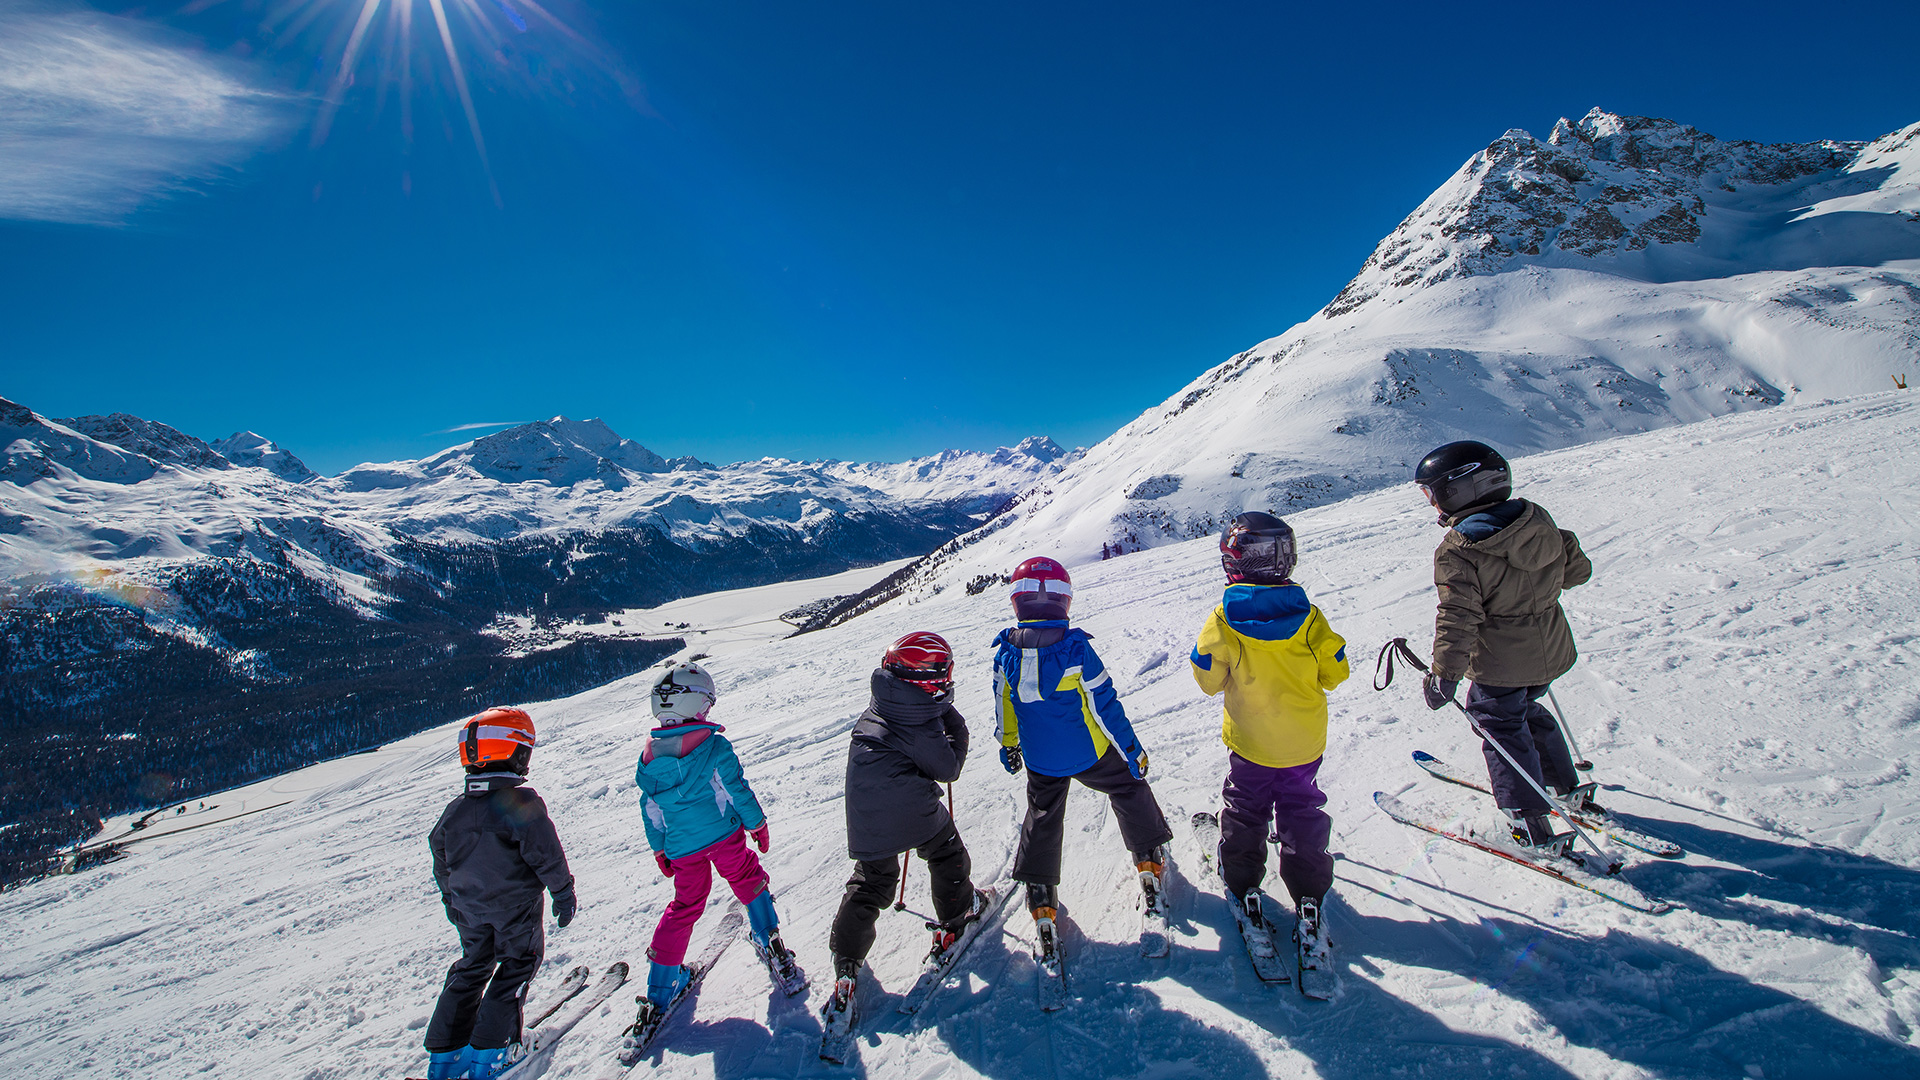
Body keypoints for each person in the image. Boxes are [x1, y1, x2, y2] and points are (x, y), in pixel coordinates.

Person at [1413, 440, 1594, 853]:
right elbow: (1576, 573)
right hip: (1550, 648)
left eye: (1432, 493)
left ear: (1460, 490)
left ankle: (1526, 822)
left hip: (1502, 661)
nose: (1431, 504)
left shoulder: (1461, 550)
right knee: (1524, 710)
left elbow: (1458, 618)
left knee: (1498, 724)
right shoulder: (1537, 519)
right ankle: (1561, 783)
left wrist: (1445, 674)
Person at [1190, 512, 1349, 944]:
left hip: (1251, 743)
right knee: (1301, 809)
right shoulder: (1311, 618)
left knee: (1246, 807)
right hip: (1303, 743)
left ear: (1235, 564)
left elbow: (1207, 680)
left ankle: (1242, 881)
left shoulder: (1223, 619)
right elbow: (1336, 673)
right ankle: (1310, 894)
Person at [993, 556, 1172, 929]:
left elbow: (1004, 707)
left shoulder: (1005, 654)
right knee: (1127, 786)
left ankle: (1041, 896)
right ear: (1064, 601)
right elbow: (1105, 706)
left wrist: (1009, 743)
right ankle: (1148, 857)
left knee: (1043, 815)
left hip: (1041, 760)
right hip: (1089, 753)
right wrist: (1132, 750)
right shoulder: (1076, 650)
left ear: (1017, 601)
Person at [823, 632, 988, 1017]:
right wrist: (952, 719)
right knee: (946, 854)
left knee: (873, 879)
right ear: (931, 679)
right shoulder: (923, 721)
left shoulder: (884, 699)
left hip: (865, 808)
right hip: (911, 807)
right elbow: (948, 768)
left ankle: (846, 961)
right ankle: (955, 919)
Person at [634, 661, 799, 1030]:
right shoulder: (714, 747)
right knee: (748, 879)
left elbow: (652, 811)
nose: (709, 711)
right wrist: (757, 823)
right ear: (692, 706)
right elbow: (736, 789)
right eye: (706, 704)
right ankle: (770, 940)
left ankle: (660, 989)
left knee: (685, 905)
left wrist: (659, 848)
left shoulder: (647, 762)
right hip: (724, 838)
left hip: (682, 849)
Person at [425, 707, 577, 1080]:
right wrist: (563, 891)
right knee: (517, 965)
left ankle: (445, 1057)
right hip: (515, 909)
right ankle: (492, 1053)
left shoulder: (455, 811)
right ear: (513, 752)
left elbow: (440, 860)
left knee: (473, 967)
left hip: (469, 911)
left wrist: (453, 903)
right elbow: (546, 853)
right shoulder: (521, 803)